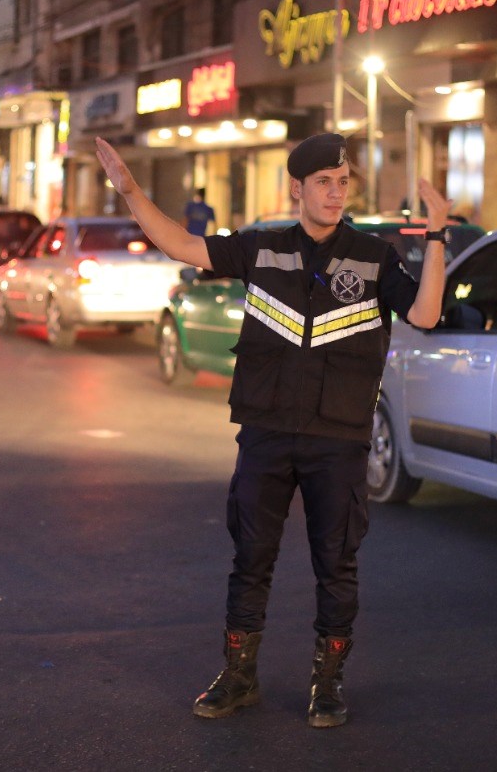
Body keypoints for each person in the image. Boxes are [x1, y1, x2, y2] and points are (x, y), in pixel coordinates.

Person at [95, 133, 450, 728]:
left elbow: (425, 313)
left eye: (342, 183)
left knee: (336, 563)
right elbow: (181, 244)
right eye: (323, 183)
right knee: (251, 557)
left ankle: (328, 684)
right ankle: (239, 677)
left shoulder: (373, 256)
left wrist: (436, 235)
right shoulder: (262, 248)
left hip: (338, 438)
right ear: (297, 189)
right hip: (266, 431)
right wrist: (130, 191)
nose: (335, 193)